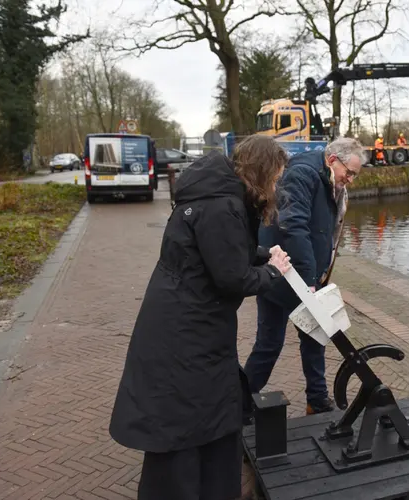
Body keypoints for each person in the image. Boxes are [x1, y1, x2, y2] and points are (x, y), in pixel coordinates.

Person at [108, 135, 292, 500]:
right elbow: (231, 279)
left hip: (184, 325)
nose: (275, 186)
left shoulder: (214, 197)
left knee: (202, 416)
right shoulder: (222, 206)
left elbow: (219, 250)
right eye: (275, 177)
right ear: (261, 171)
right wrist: (272, 272)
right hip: (188, 334)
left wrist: (257, 254)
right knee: (186, 419)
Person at [243, 137, 365, 416]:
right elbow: (294, 226)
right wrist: (310, 280)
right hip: (287, 277)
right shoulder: (303, 174)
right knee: (270, 343)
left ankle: (316, 399)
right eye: (350, 172)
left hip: (298, 275)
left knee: (311, 338)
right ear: (333, 161)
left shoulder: (326, 178)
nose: (351, 179)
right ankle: (241, 402)